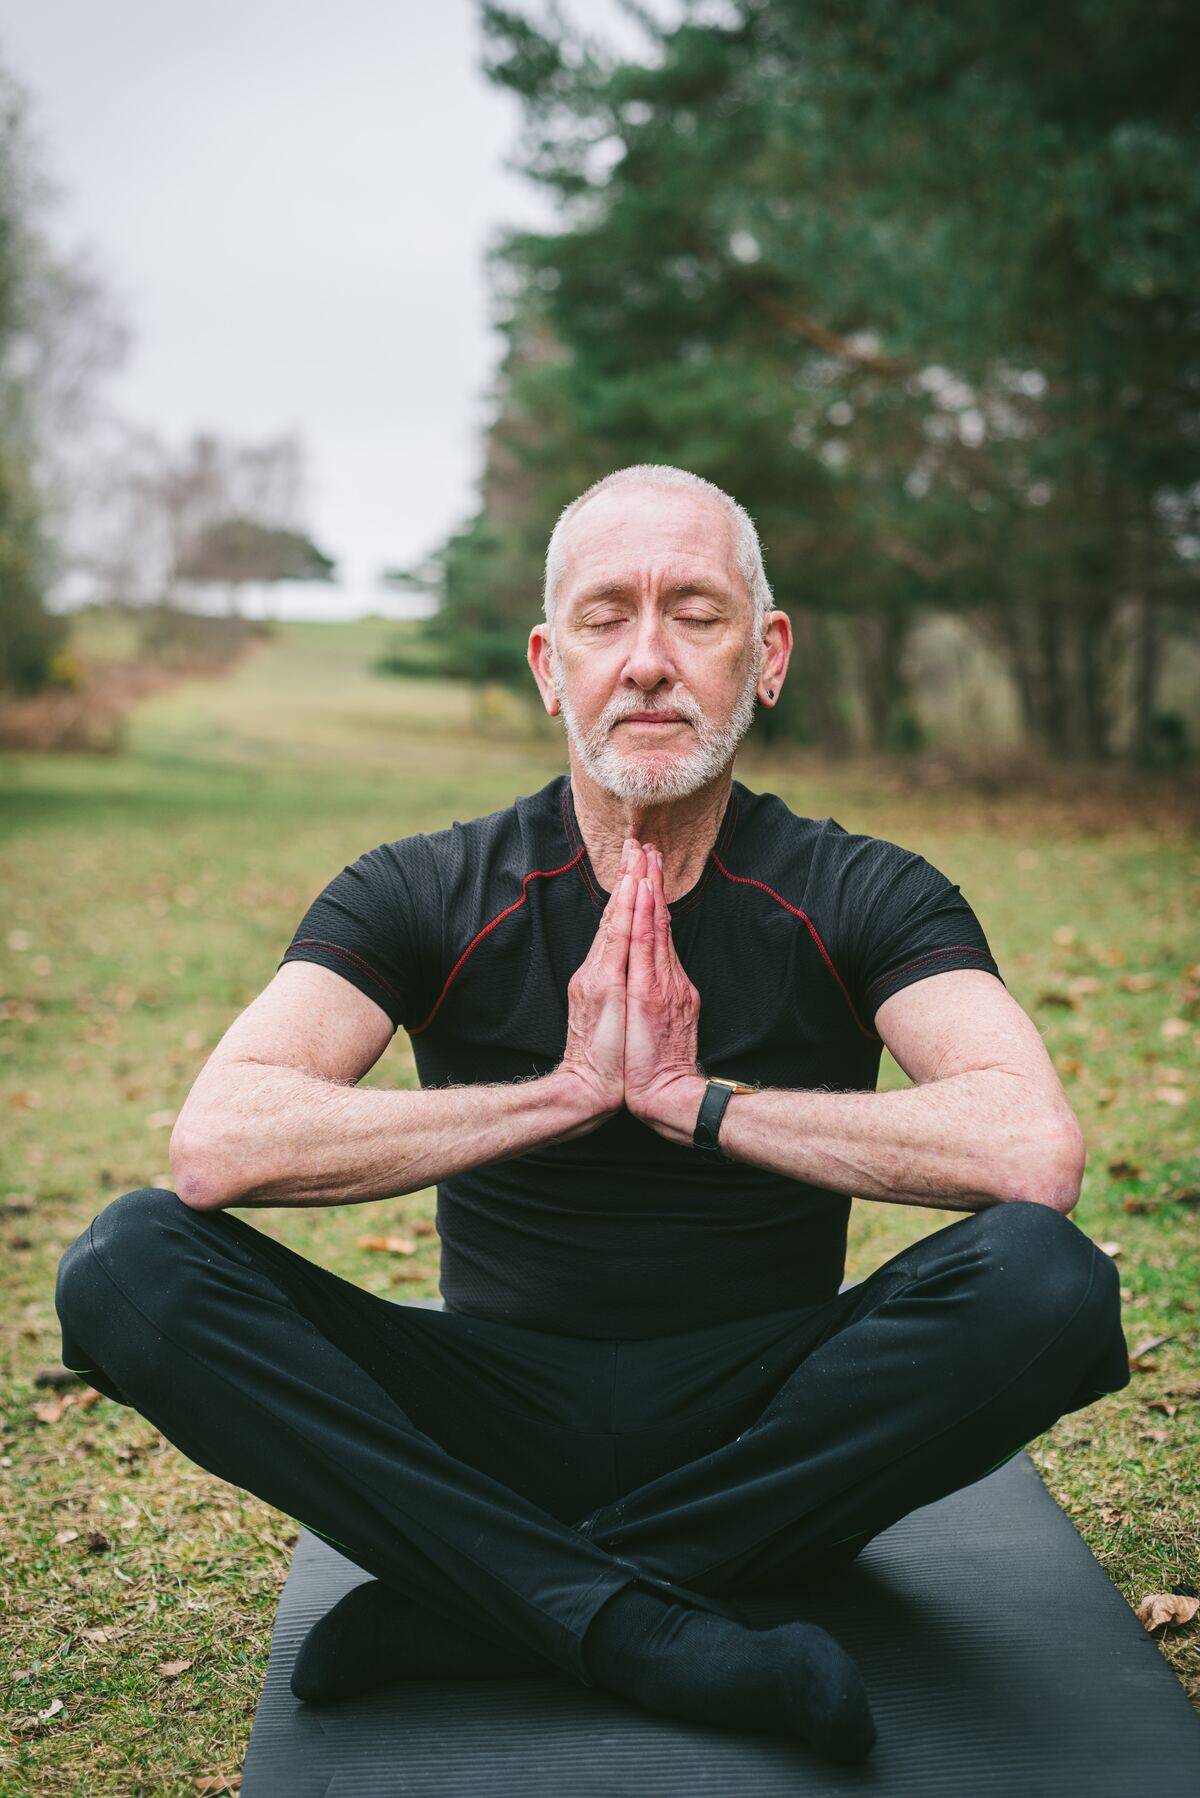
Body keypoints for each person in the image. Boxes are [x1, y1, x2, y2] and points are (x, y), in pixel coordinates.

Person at [54, 465, 1131, 1767]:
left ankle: (489, 1604)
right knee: (127, 1264)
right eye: (607, 617)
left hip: (774, 1421)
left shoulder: (863, 890)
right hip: (488, 1416)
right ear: (549, 663)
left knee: (1047, 1280)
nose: (651, 660)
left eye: (698, 613)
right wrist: (562, 1095)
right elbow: (220, 1140)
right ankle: (643, 1620)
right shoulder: (423, 886)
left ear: (769, 655)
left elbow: (1032, 1146)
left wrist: (700, 1103)